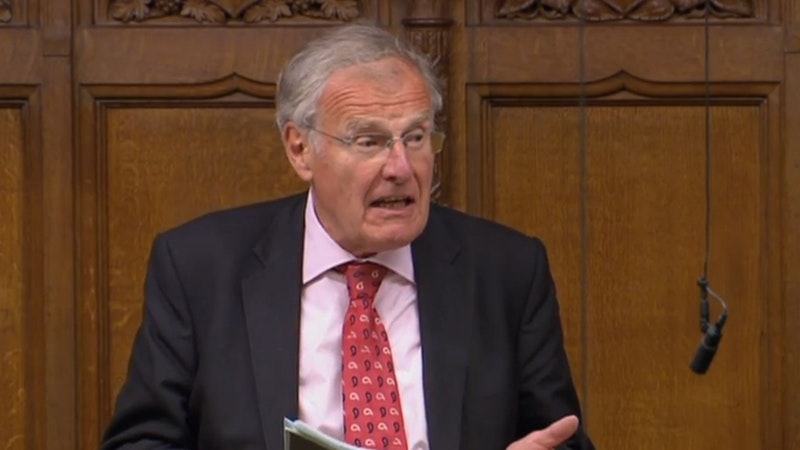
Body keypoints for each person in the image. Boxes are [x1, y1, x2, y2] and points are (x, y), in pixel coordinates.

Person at [101, 24, 594, 450]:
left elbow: (560, 436)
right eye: (369, 141)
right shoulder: (200, 269)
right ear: (300, 149)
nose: (400, 167)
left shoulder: (507, 271)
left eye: (416, 137)